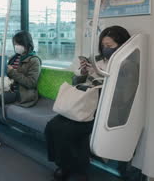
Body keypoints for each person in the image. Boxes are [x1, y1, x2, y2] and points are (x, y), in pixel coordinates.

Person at [45, 26, 132, 181]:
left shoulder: (126, 65)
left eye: (110, 46)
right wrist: (83, 73)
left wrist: (98, 75)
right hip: (85, 103)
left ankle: (78, 170)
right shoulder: (97, 60)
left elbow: (121, 94)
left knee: (68, 131)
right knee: (52, 126)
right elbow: (78, 82)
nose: (106, 49)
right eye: (103, 46)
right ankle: (63, 164)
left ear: (122, 45)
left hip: (103, 111)